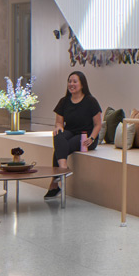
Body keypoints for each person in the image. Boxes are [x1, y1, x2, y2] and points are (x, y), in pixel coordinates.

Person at [47, 71, 101, 199]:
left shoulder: (91, 101)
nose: (71, 84)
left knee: (63, 147)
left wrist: (92, 138)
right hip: (70, 131)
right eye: (69, 81)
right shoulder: (64, 101)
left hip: (86, 135)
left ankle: (54, 184)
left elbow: (98, 124)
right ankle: (63, 169)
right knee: (58, 137)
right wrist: (59, 128)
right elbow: (59, 123)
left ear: (82, 84)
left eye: (74, 81)